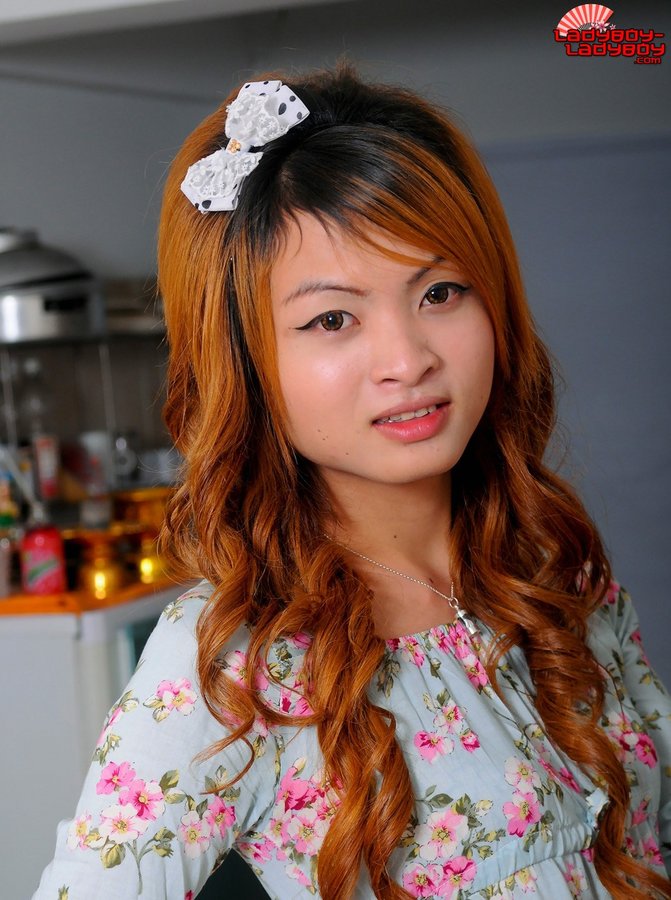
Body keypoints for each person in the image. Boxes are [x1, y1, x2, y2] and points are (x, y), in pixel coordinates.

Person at [34, 64, 670, 900]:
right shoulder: (233, 657)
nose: (407, 360)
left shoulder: (556, 570)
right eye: (331, 318)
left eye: (440, 292)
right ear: (245, 360)